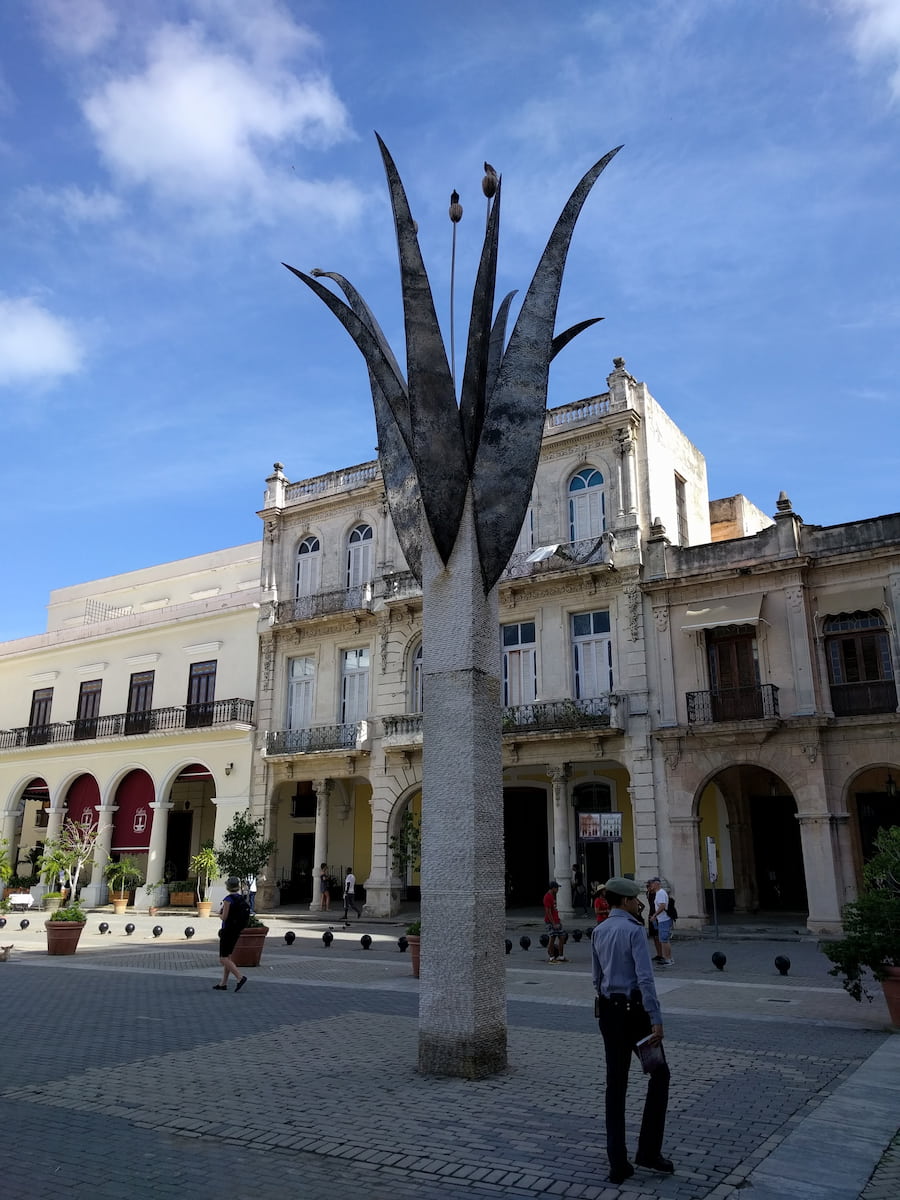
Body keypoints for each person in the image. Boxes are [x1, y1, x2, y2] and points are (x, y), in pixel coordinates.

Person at [591, 876, 673, 1184]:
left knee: (616, 1085)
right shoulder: (634, 931)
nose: (638, 903)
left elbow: (596, 978)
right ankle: (648, 1151)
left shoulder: (598, 931)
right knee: (659, 1074)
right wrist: (655, 1016)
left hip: (609, 1016)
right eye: (634, 899)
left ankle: (618, 1162)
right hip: (637, 1015)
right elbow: (645, 978)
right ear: (625, 901)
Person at [214, 876, 248, 992]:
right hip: (236, 930)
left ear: (227, 887)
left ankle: (240, 977)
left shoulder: (228, 899)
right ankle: (223, 983)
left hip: (227, 930)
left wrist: (219, 914)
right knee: (228, 956)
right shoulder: (240, 898)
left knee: (223, 959)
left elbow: (224, 917)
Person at [648, 877, 674, 966]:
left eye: (652, 883)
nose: (650, 885)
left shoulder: (660, 893)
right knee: (664, 939)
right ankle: (668, 958)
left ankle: (667, 959)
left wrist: (655, 915)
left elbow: (662, 906)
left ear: (657, 884)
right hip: (662, 919)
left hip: (664, 919)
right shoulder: (659, 893)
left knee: (664, 940)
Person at [542, 880, 568, 963]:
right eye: (557, 888)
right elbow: (548, 912)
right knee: (552, 938)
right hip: (551, 921)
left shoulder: (553, 896)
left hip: (557, 920)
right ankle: (551, 957)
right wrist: (553, 923)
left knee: (562, 937)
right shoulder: (547, 897)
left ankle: (561, 956)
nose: (558, 890)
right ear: (553, 888)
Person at [647, 880, 663, 964]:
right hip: (651, 915)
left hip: (656, 915)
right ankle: (659, 954)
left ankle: (662, 954)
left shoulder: (658, 894)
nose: (649, 887)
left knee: (658, 936)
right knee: (654, 936)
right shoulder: (649, 894)